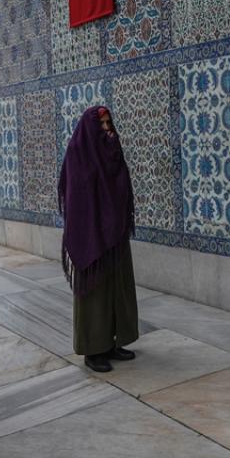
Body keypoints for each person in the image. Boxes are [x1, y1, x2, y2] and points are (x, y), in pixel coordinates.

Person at [59, 106, 139, 373]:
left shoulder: (111, 153)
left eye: (109, 124)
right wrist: (93, 228)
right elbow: (77, 196)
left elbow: (120, 186)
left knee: (118, 289)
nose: (107, 130)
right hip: (91, 235)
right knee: (95, 294)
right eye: (102, 125)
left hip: (114, 235)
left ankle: (113, 341)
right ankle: (93, 349)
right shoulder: (78, 154)